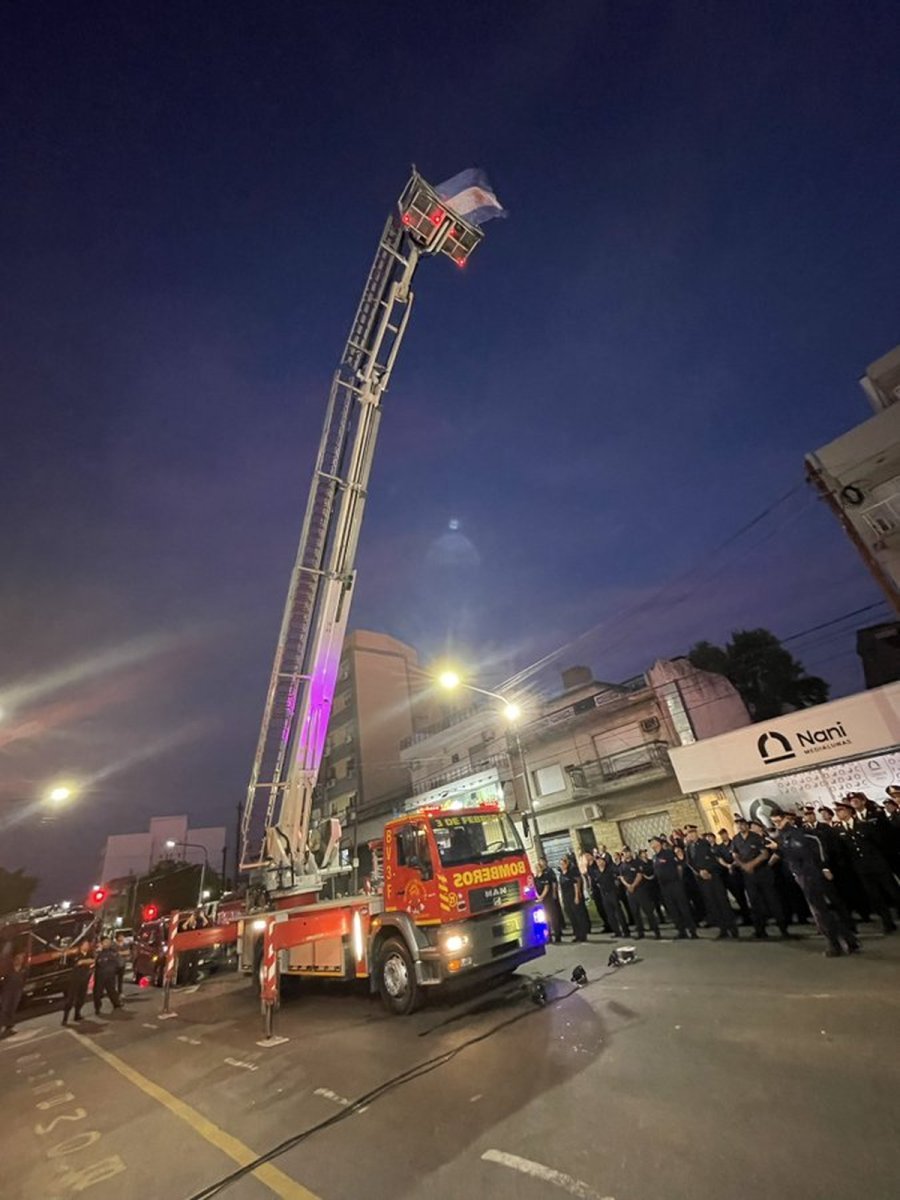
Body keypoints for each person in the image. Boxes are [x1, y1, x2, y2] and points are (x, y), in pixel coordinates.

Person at [769, 807, 859, 957]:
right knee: (823, 911)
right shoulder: (782, 835)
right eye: (774, 822)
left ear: (785, 819)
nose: (777, 824)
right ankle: (849, 940)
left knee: (821, 912)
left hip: (812, 874)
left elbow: (805, 850)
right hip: (802, 875)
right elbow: (783, 854)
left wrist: (824, 867)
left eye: (779, 821)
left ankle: (835, 944)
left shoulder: (798, 833)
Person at [835, 796, 899, 933]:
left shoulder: (864, 825)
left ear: (849, 811)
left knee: (893, 891)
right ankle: (888, 923)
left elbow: (879, 843)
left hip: (877, 864)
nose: (838, 813)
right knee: (875, 896)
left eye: (841, 810)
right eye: (837, 811)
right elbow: (844, 852)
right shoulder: (839, 830)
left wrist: (882, 860)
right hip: (862, 868)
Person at [731, 816, 789, 938]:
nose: (740, 826)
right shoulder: (736, 839)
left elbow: (765, 854)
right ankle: (760, 929)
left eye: (742, 824)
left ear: (747, 825)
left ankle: (783, 928)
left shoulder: (756, 837)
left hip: (762, 872)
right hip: (748, 875)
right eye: (738, 824)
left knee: (772, 900)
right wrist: (744, 865)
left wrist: (751, 864)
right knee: (755, 902)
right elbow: (735, 855)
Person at [685, 826, 738, 938]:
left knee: (722, 902)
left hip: (713, 876)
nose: (691, 835)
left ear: (696, 833)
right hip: (702, 879)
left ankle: (732, 928)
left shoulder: (705, 843)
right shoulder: (689, 847)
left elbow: (714, 859)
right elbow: (690, 862)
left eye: (692, 833)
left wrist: (708, 870)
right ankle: (723, 928)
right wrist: (699, 872)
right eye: (689, 834)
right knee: (713, 904)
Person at [649, 836, 696, 938]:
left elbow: (679, 866)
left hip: (675, 884)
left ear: (659, 843)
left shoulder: (668, 853)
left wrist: (678, 880)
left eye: (653, 842)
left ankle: (692, 931)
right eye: (651, 843)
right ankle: (681, 931)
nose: (651, 845)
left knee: (683, 908)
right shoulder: (654, 857)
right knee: (673, 909)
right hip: (664, 887)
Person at [616, 849, 660, 939]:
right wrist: (628, 886)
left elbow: (639, 875)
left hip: (640, 890)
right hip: (630, 892)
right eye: (624, 853)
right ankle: (640, 932)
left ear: (630, 853)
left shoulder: (637, 862)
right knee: (635, 912)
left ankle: (656, 931)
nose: (625, 854)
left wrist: (633, 885)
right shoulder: (622, 866)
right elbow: (621, 877)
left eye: (627, 852)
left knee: (648, 911)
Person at [589, 852, 629, 938]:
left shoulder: (610, 869)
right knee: (610, 914)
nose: (600, 862)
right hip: (604, 894)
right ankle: (617, 932)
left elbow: (617, 879)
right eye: (598, 861)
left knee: (619, 913)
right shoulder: (596, 872)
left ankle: (626, 931)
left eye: (601, 860)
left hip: (612, 893)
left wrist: (616, 890)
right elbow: (596, 883)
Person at [62, 940, 95, 1025]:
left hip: (84, 978)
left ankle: (77, 1014)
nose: (86, 946)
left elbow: (93, 961)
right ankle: (65, 1018)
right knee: (70, 999)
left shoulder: (89, 954)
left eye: (87, 945)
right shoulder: (75, 954)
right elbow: (77, 963)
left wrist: (85, 961)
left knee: (81, 998)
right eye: (85, 945)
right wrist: (86, 961)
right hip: (75, 979)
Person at [558, 855, 590, 942]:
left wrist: (577, 896)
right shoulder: (561, 874)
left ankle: (583, 935)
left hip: (572, 895)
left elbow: (576, 884)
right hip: (566, 897)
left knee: (578, 916)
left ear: (566, 864)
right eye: (560, 864)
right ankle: (577, 934)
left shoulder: (570, 873)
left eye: (563, 864)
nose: (562, 866)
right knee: (572, 917)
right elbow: (560, 886)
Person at [535, 857, 563, 944]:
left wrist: (542, 896)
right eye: (536, 868)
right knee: (545, 920)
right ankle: (548, 937)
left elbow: (547, 888)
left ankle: (558, 935)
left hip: (548, 899)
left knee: (553, 917)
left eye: (538, 867)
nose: (537, 869)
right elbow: (534, 889)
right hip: (540, 901)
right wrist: (538, 897)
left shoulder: (546, 875)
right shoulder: (535, 878)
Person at [93, 936, 124, 1014]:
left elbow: (119, 963)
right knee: (97, 993)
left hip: (110, 976)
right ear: (102, 943)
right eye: (105, 942)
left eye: (108, 942)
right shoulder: (98, 952)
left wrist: (116, 971)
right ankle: (97, 1008)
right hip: (100, 976)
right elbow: (94, 962)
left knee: (111, 991)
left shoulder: (113, 952)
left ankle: (116, 1004)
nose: (107, 943)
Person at [0, 952, 27, 1036]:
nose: (19, 960)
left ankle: (9, 1026)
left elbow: (23, 979)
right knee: (5, 1009)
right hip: (7, 991)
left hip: (17, 990)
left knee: (12, 1008)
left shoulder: (23, 969)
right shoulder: (9, 969)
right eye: (18, 959)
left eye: (21, 959)